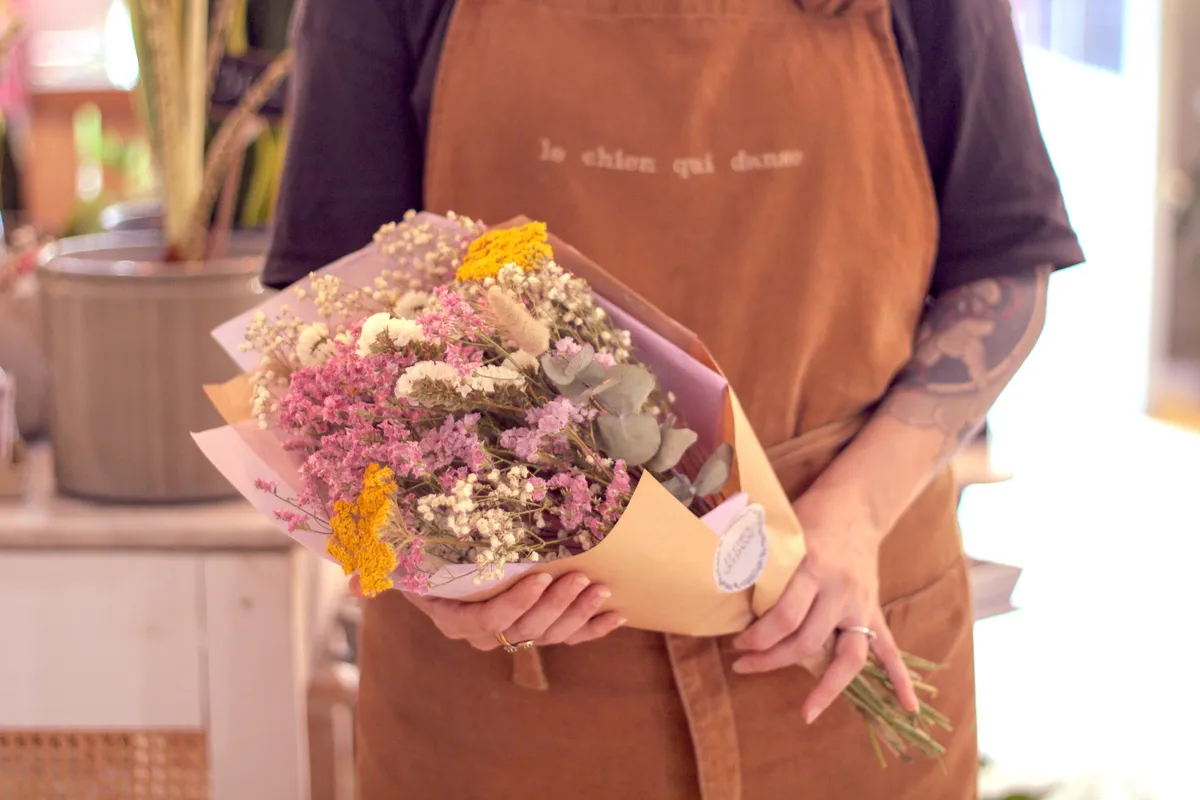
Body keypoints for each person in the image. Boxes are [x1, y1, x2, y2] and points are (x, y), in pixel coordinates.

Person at [264, 0, 1084, 797]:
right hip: (504, 689)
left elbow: (1003, 265)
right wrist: (429, 576)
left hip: (830, 627)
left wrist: (858, 512)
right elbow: (323, 325)